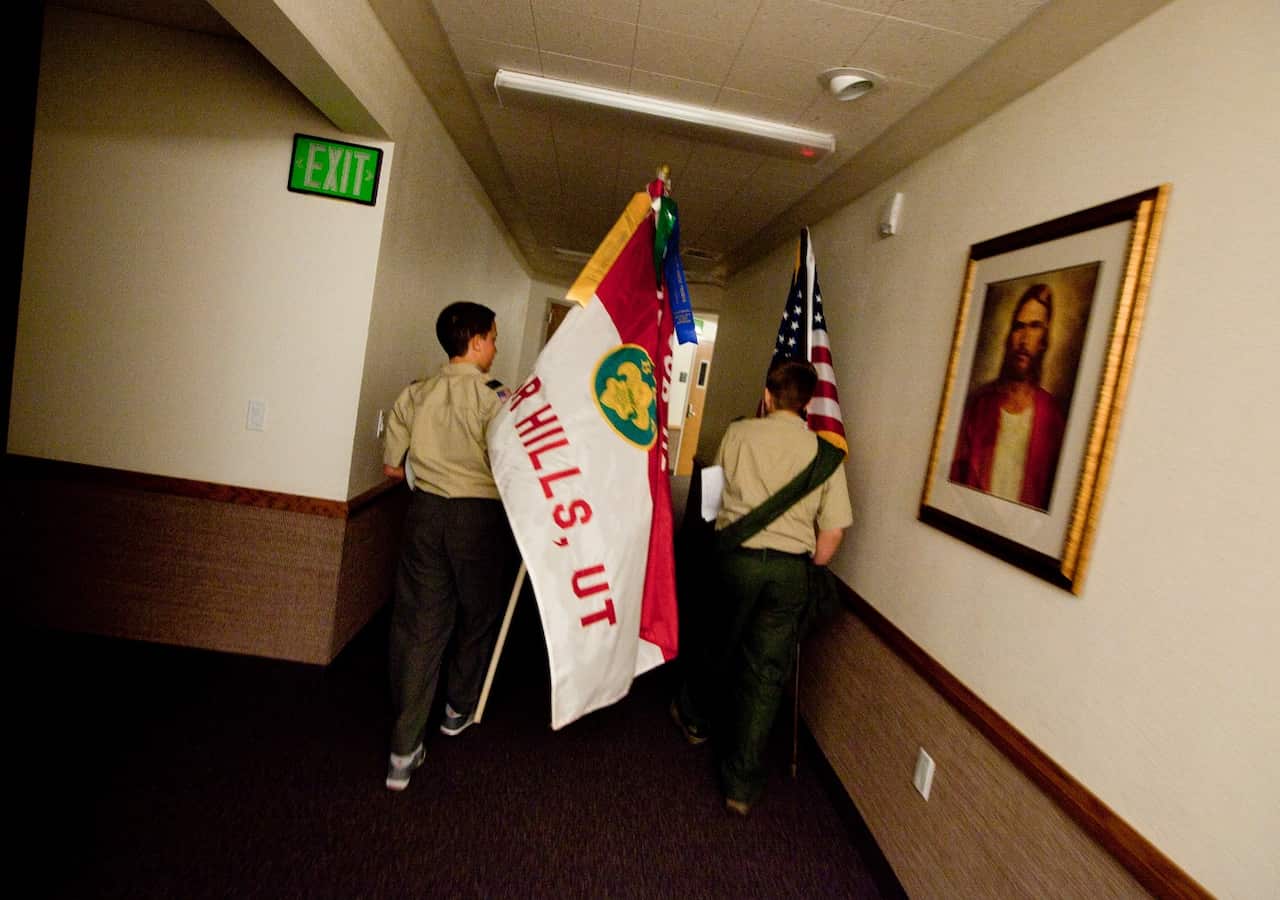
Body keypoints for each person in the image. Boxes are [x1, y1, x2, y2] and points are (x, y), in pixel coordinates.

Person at [671, 358, 853, 815]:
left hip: (736, 561)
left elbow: (712, 506)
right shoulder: (826, 456)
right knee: (767, 674)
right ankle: (741, 785)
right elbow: (830, 542)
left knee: (716, 642)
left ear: (767, 396)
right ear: (809, 403)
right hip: (790, 571)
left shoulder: (738, 433)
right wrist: (797, 558)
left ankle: (695, 720)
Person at [382, 301, 514, 791]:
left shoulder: (416, 393)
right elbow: (513, 467)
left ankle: (402, 749)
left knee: (420, 625)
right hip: (477, 518)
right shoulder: (496, 398)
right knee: (477, 614)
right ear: (476, 341)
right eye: (494, 338)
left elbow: (393, 468)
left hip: (424, 514)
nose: (496, 347)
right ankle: (457, 709)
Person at [949, 283, 1066, 510]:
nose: (1024, 339)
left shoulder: (1052, 417)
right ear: (1010, 335)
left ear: (1044, 340)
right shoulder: (980, 405)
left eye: (1035, 327)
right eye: (1019, 326)